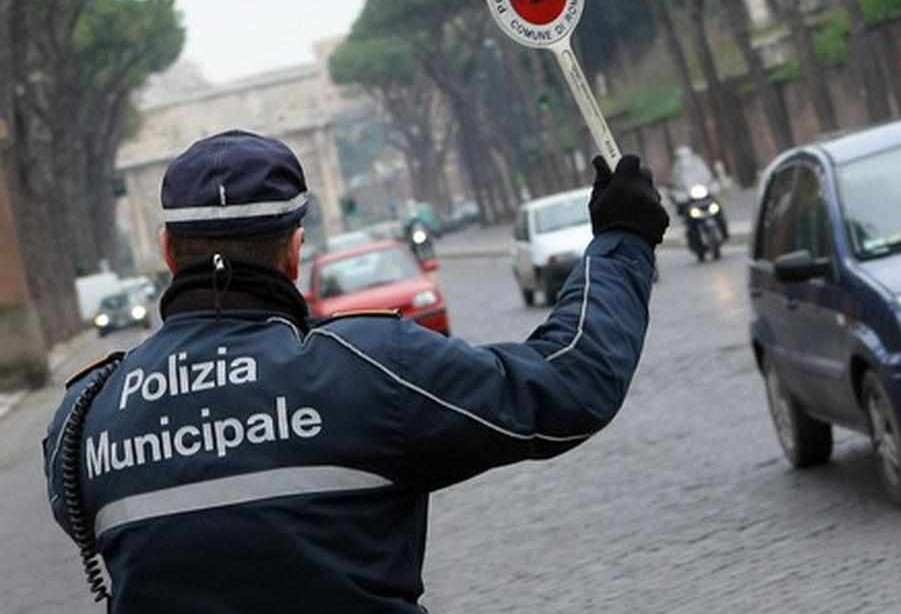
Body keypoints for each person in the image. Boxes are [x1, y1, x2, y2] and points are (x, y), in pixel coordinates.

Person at [42, 130, 669, 613]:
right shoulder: (372, 366)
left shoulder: (84, 417)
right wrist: (621, 243)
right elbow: (569, 383)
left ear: (167, 252)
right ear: (293, 251)